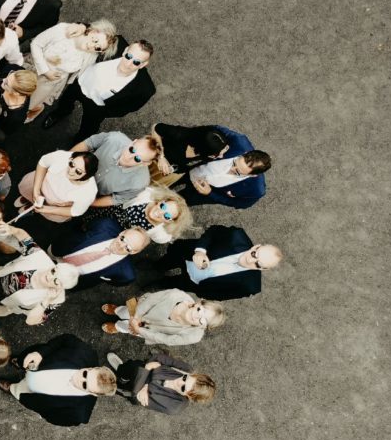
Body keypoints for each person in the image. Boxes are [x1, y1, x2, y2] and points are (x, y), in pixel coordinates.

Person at [42, 38, 157, 141]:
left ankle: (79, 142)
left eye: (136, 62)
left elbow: (127, 107)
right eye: (129, 56)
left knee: (88, 128)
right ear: (125, 51)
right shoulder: (114, 44)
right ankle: (61, 112)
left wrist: (103, 112)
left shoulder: (144, 89)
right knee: (66, 99)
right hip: (81, 83)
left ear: (143, 65)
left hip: (98, 105)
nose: (128, 64)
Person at [0, 334, 115, 427]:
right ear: (93, 368)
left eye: (84, 385)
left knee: (18, 391)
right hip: (35, 361)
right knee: (23, 359)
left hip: (30, 392)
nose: (79, 379)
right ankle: (20, 362)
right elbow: (64, 339)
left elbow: (52, 417)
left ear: (93, 394)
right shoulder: (86, 353)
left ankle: (13, 388)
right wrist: (40, 353)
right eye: (85, 373)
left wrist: (39, 406)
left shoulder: (78, 414)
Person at [156, 225, 284, 301]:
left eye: (258, 264)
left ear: (263, 269)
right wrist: (200, 251)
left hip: (194, 283)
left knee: (170, 283)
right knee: (165, 262)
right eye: (254, 254)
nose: (249, 261)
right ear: (256, 247)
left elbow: (221, 295)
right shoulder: (236, 236)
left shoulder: (250, 286)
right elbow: (213, 231)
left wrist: (200, 292)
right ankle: (156, 266)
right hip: (186, 255)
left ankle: (159, 283)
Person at [28, 19, 118, 120]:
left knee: (28, 105)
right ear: (92, 31)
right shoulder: (63, 30)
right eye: (95, 40)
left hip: (49, 83)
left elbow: (76, 76)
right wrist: (45, 71)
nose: (91, 46)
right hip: (32, 68)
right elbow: (36, 44)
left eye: (98, 48)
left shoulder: (90, 56)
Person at [0, 242, 80, 325]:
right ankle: (3, 271)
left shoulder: (57, 299)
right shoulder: (41, 257)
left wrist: (46, 301)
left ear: (59, 287)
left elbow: (31, 321)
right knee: (10, 268)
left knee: (17, 306)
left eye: (56, 281)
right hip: (9, 275)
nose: (49, 276)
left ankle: (9, 309)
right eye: (53, 271)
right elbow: (24, 239)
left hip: (15, 302)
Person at [49, 219, 150, 291]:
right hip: (62, 249)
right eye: (123, 239)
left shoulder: (127, 275)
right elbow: (86, 226)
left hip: (72, 277)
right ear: (122, 232)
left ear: (134, 252)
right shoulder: (106, 225)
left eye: (128, 248)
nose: (120, 245)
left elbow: (114, 281)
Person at [106, 352, 216, 415]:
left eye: (183, 388)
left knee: (116, 387)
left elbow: (138, 397)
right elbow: (157, 357)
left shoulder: (174, 406)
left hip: (132, 387)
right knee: (125, 369)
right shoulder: (186, 369)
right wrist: (145, 385)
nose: (179, 382)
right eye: (185, 378)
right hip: (136, 369)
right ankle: (120, 370)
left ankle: (117, 381)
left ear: (189, 397)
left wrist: (149, 369)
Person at [101, 290, 226, 346]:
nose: (197, 316)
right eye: (200, 310)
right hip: (143, 309)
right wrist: (136, 316)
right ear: (198, 303)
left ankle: (118, 326)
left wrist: (139, 330)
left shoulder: (194, 336)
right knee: (126, 313)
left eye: (203, 320)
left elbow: (166, 339)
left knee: (129, 329)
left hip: (149, 331)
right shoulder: (177, 295)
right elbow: (151, 301)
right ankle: (117, 310)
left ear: (203, 327)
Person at [77, 132, 160, 207]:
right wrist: (68, 159)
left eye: (137, 158)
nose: (128, 156)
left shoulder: (139, 184)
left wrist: (85, 204)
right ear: (133, 142)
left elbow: (115, 199)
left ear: (146, 163)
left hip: (88, 195)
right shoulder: (115, 138)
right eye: (132, 149)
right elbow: (88, 143)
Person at [89, 185, 192, 245]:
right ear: (161, 201)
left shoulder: (160, 234)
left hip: (117, 236)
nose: (160, 212)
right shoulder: (146, 195)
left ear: (169, 221)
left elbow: (165, 238)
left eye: (167, 216)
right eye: (163, 206)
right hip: (108, 212)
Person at [16, 149, 99, 223]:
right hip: (41, 184)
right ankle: (28, 199)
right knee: (28, 191)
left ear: (87, 176)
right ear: (71, 158)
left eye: (78, 171)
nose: (71, 171)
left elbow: (75, 211)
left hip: (55, 204)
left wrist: (46, 209)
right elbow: (43, 163)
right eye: (72, 164)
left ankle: (32, 208)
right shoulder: (62, 156)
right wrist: (36, 190)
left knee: (40, 208)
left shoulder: (89, 192)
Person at [183, 147, 271, 209]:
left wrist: (210, 193)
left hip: (203, 194)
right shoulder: (238, 142)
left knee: (182, 201)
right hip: (192, 171)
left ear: (253, 175)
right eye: (234, 163)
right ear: (244, 153)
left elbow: (241, 204)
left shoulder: (256, 191)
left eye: (237, 172)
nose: (230, 169)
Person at [150, 122, 231, 177]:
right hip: (153, 157)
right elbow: (155, 127)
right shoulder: (179, 134)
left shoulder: (208, 155)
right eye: (217, 154)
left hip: (166, 172)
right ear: (203, 149)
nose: (221, 156)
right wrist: (161, 157)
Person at [0, 67, 37, 133]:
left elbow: (5, 131)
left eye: (6, 83)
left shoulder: (16, 117)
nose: (3, 80)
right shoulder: (16, 75)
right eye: (8, 76)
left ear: (16, 93)